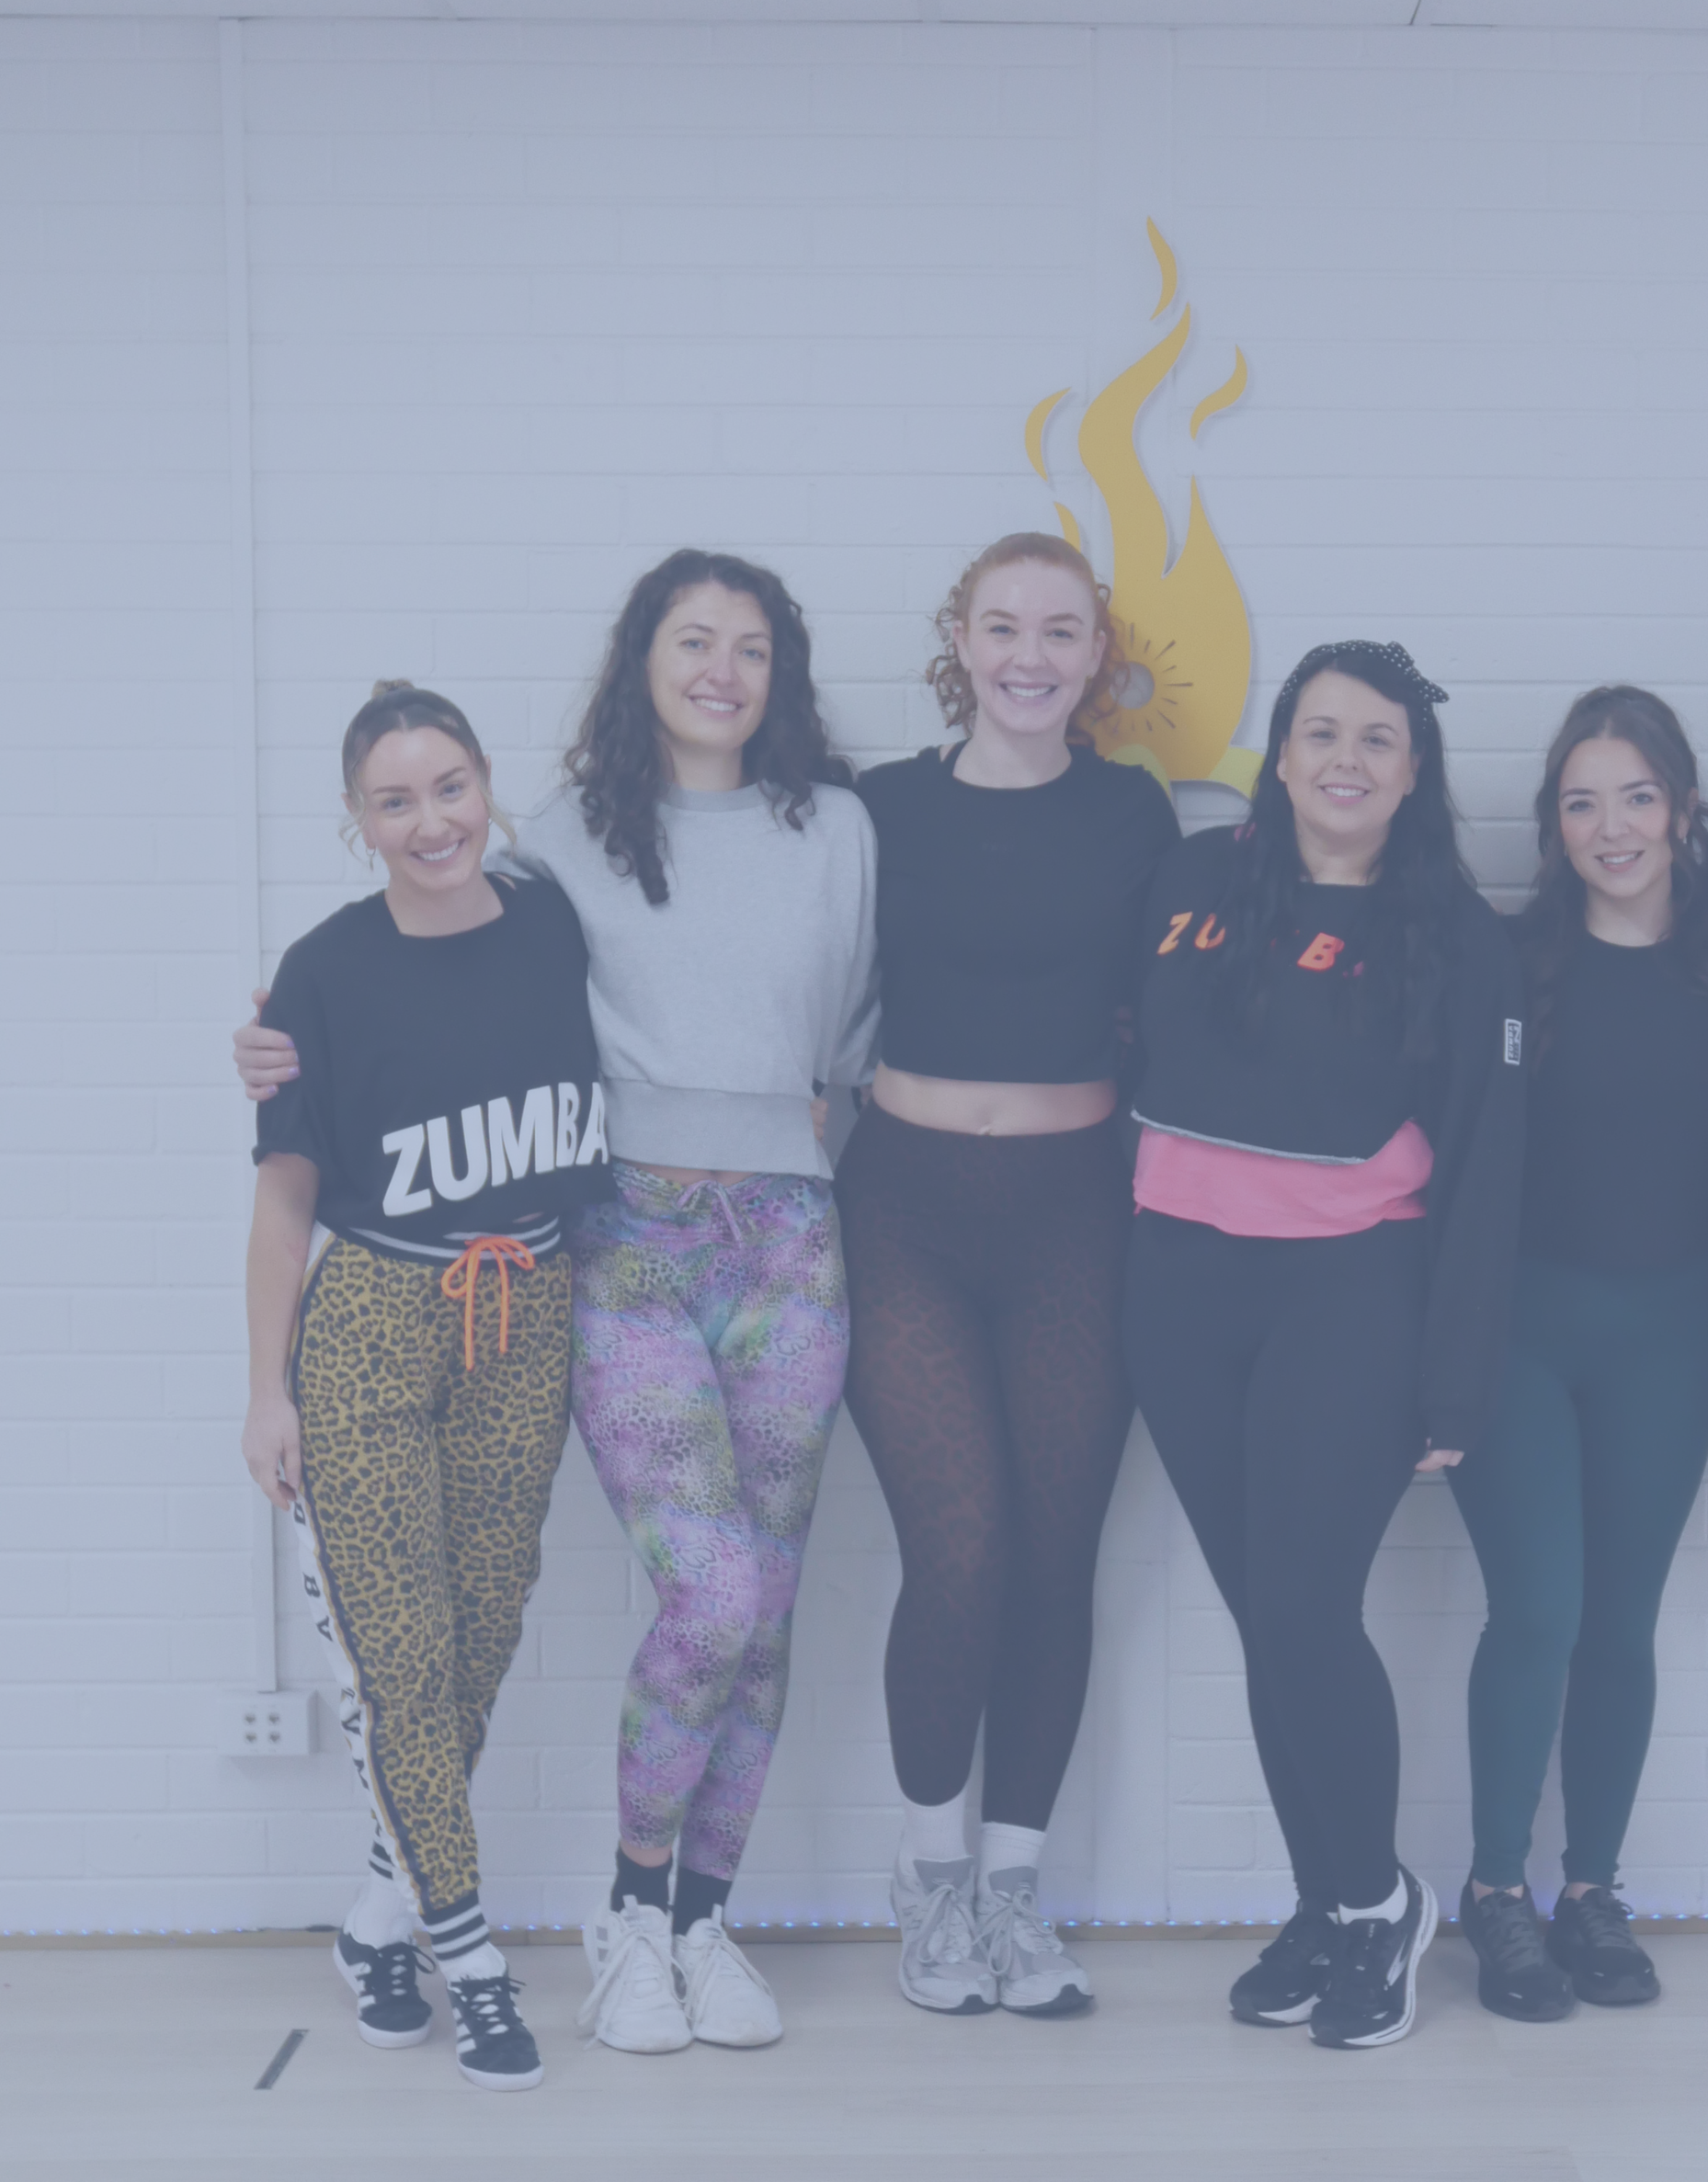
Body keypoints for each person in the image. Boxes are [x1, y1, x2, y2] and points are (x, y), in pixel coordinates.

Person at [235, 551, 878, 2057]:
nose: (720, 667)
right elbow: (402, 955)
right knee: (703, 1591)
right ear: (638, 663)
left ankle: (693, 1923)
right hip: (618, 1246)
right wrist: (272, 1050)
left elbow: (856, 1027)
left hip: (790, 1238)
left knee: (760, 1614)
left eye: (750, 646)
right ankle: (619, 1916)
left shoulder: (838, 830)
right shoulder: (560, 854)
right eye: (689, 639)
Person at [1122, 641, 1525, 2050]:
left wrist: (1456, 1376)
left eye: (1379, 740)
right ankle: (1327, 1899)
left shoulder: (1461, 939)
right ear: (1279, 753)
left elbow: (1487, 1171)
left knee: (1303, 1610)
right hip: (1179, 1293)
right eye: (1321, 731)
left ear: (1414, 774)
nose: (1346, 758)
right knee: (1265, 1623)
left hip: (1347, 1294)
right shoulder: (1188, 885)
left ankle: (1377, 1902)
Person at [240, 683, 614, 2090]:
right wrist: (266, 1393)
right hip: (376, 1317)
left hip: (528, 1306)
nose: (431, 820)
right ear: (358, 820)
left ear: (485, 785)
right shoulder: (325, 972)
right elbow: (285, 1206)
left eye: (449, 786)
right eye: (395, 801)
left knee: (479, 1631)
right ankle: (472, 1959)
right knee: (399, 1653)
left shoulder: (555, 921)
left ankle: (377, 1921)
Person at [843, 531, 1179, 2017]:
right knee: (961, 1549)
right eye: (1002, 626)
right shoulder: (879, 808)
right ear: (959, 643)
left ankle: (1017, 1892)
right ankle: (930, 1880)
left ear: (1096, 653)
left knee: (1052, 1559)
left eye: (1060, 630)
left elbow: (1185, 1002)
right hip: (904, 1204)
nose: (1030, 655)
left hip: (1075, 1211)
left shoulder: (1136, 812)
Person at [1450, 687, 1708, 2021]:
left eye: (1635, 796)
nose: (1609, 826)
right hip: (1519, 1334)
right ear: (1553, 823)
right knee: (1543, 1612)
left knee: (1619, 1624)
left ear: (1680, 808)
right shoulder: (1511, 964)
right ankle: (1497, 1893)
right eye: (1581, 801)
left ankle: (1594, 1892)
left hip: (1672, 1330)